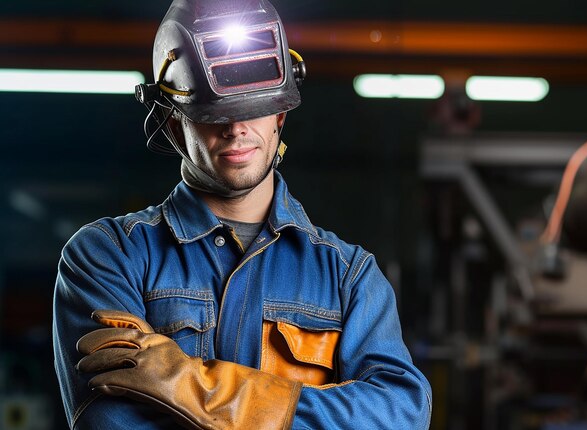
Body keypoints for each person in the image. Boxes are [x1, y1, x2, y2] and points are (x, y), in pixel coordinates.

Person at [52, 0, 432, 428]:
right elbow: (111, 420)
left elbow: (399, 415)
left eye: (252, 109)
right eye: (214, 114)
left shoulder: (348, 277)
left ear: (280, 114)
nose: (236, 129)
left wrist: (205, 390)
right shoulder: (109, 256)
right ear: (176, 123)